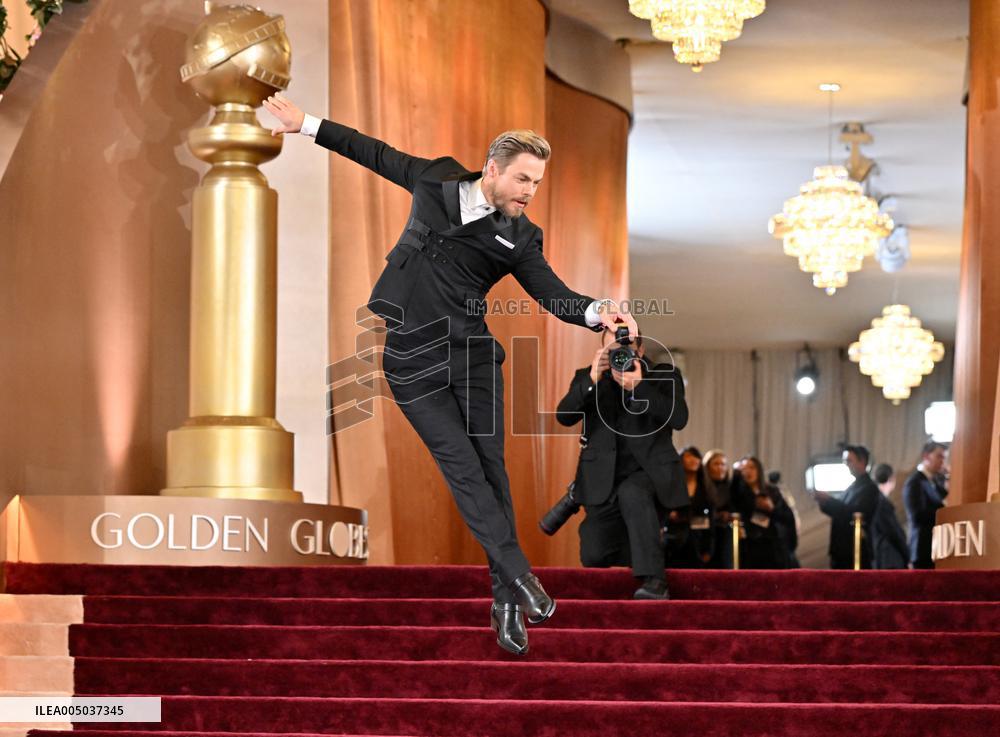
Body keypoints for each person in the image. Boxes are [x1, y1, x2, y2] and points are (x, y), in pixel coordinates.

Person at [262, 95, 638, 655]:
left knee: (493, 475)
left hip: (474, 361)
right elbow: (374, 152)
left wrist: (596, 312)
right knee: (464, 472)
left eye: (536, 183)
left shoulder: (521, 237)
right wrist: (306, 125)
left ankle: (507, 600)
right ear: (492, 169)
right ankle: (521, 577)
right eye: (522, 179)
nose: (529, 192)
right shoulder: (435, 179)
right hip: (412, 361)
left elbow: (553, 294)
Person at [555, 326, 688, 600]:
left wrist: (640, 386)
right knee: (594, 551)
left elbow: (679, 418)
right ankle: (629, 588)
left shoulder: (663, 374)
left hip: (650, 474)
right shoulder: (589, 376)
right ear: (602, 351)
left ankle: (655, 582)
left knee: (634, 494)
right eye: (612, 351)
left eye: (625, 349)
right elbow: (564, 415)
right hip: (603, 480)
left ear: (639, 349)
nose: (619, 356)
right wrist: (592, 378)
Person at [814, 445, 879, 569]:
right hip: (842, 550)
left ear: (862, 462)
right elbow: (841, 510)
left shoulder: (868, 488)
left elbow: (856, 513)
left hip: (855, 549)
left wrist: (829, 500)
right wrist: (824, 503)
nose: (846, 465)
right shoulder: (852, 487)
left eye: (849, 461)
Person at [731, 456, 795, 569]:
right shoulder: (739, 492)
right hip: (749, 546)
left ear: (759, 470)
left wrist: (772, 509)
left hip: (773, 545)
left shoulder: (772, 491)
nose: (748, 471)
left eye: (752, 467)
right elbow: (733, 500)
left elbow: (788, 518)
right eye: (744, 469)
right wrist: (736, 474)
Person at [903, 441, 949, 569]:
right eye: (939, 456)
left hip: (937, 548)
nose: (943, 461)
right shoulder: (915, 482)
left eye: (944, 457)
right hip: (922, 549)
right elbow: (916, 515)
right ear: (926, 457)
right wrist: (943, 510)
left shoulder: (934, 481)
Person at [667, 446, 715, 568]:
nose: (694, 460)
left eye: (697, 457)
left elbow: (711, 521)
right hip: (674, 542)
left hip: (699, 542)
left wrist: (708, 549)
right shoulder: (672, 485)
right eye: (689, 456)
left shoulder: (706, 488)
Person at [870, 463, 908, 569]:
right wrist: (907, 555)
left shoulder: (872, 500)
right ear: (892, 478)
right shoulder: (882, 503)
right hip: (889, 558)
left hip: (878, 557)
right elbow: (893, 532)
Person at [703, 449, 734, 569]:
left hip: (724, 536)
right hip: (705, 536)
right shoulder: (701, 487)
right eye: (716, 464)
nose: (720, 467)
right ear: (707, 466)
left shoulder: (730, 487)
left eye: (723, 464)